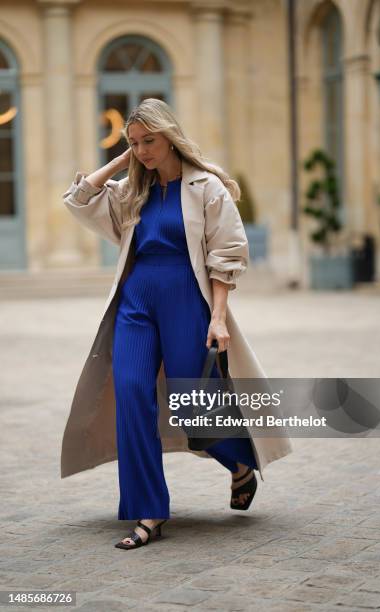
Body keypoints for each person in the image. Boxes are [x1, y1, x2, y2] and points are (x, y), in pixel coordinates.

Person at [63, 98, 266, 551]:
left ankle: (239, 465)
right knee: (132, 393)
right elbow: (78, 200)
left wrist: (217, 318)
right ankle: (149, 510)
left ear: (170, 136)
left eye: (149, 141)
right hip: (136, 302)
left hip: (186, 301)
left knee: (193, 402)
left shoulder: (205, 187)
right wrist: (122, 157)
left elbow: (226, 256)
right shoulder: (133, 190)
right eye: (135, 143)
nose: (143, 151)